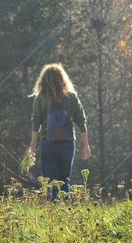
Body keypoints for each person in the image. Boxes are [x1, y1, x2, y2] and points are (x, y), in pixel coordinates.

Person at [26, 63, 91, 199]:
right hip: (67, 143)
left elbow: (36, 123)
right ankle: (64, 207)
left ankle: (55, 208)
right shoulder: (71, 97)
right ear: (62, 78)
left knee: (51, 180)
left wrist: (32, 147)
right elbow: (81, 120)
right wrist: (86, 145)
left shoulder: (40, 98)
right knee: (64, 178)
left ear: (43, 80)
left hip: (47, 143)